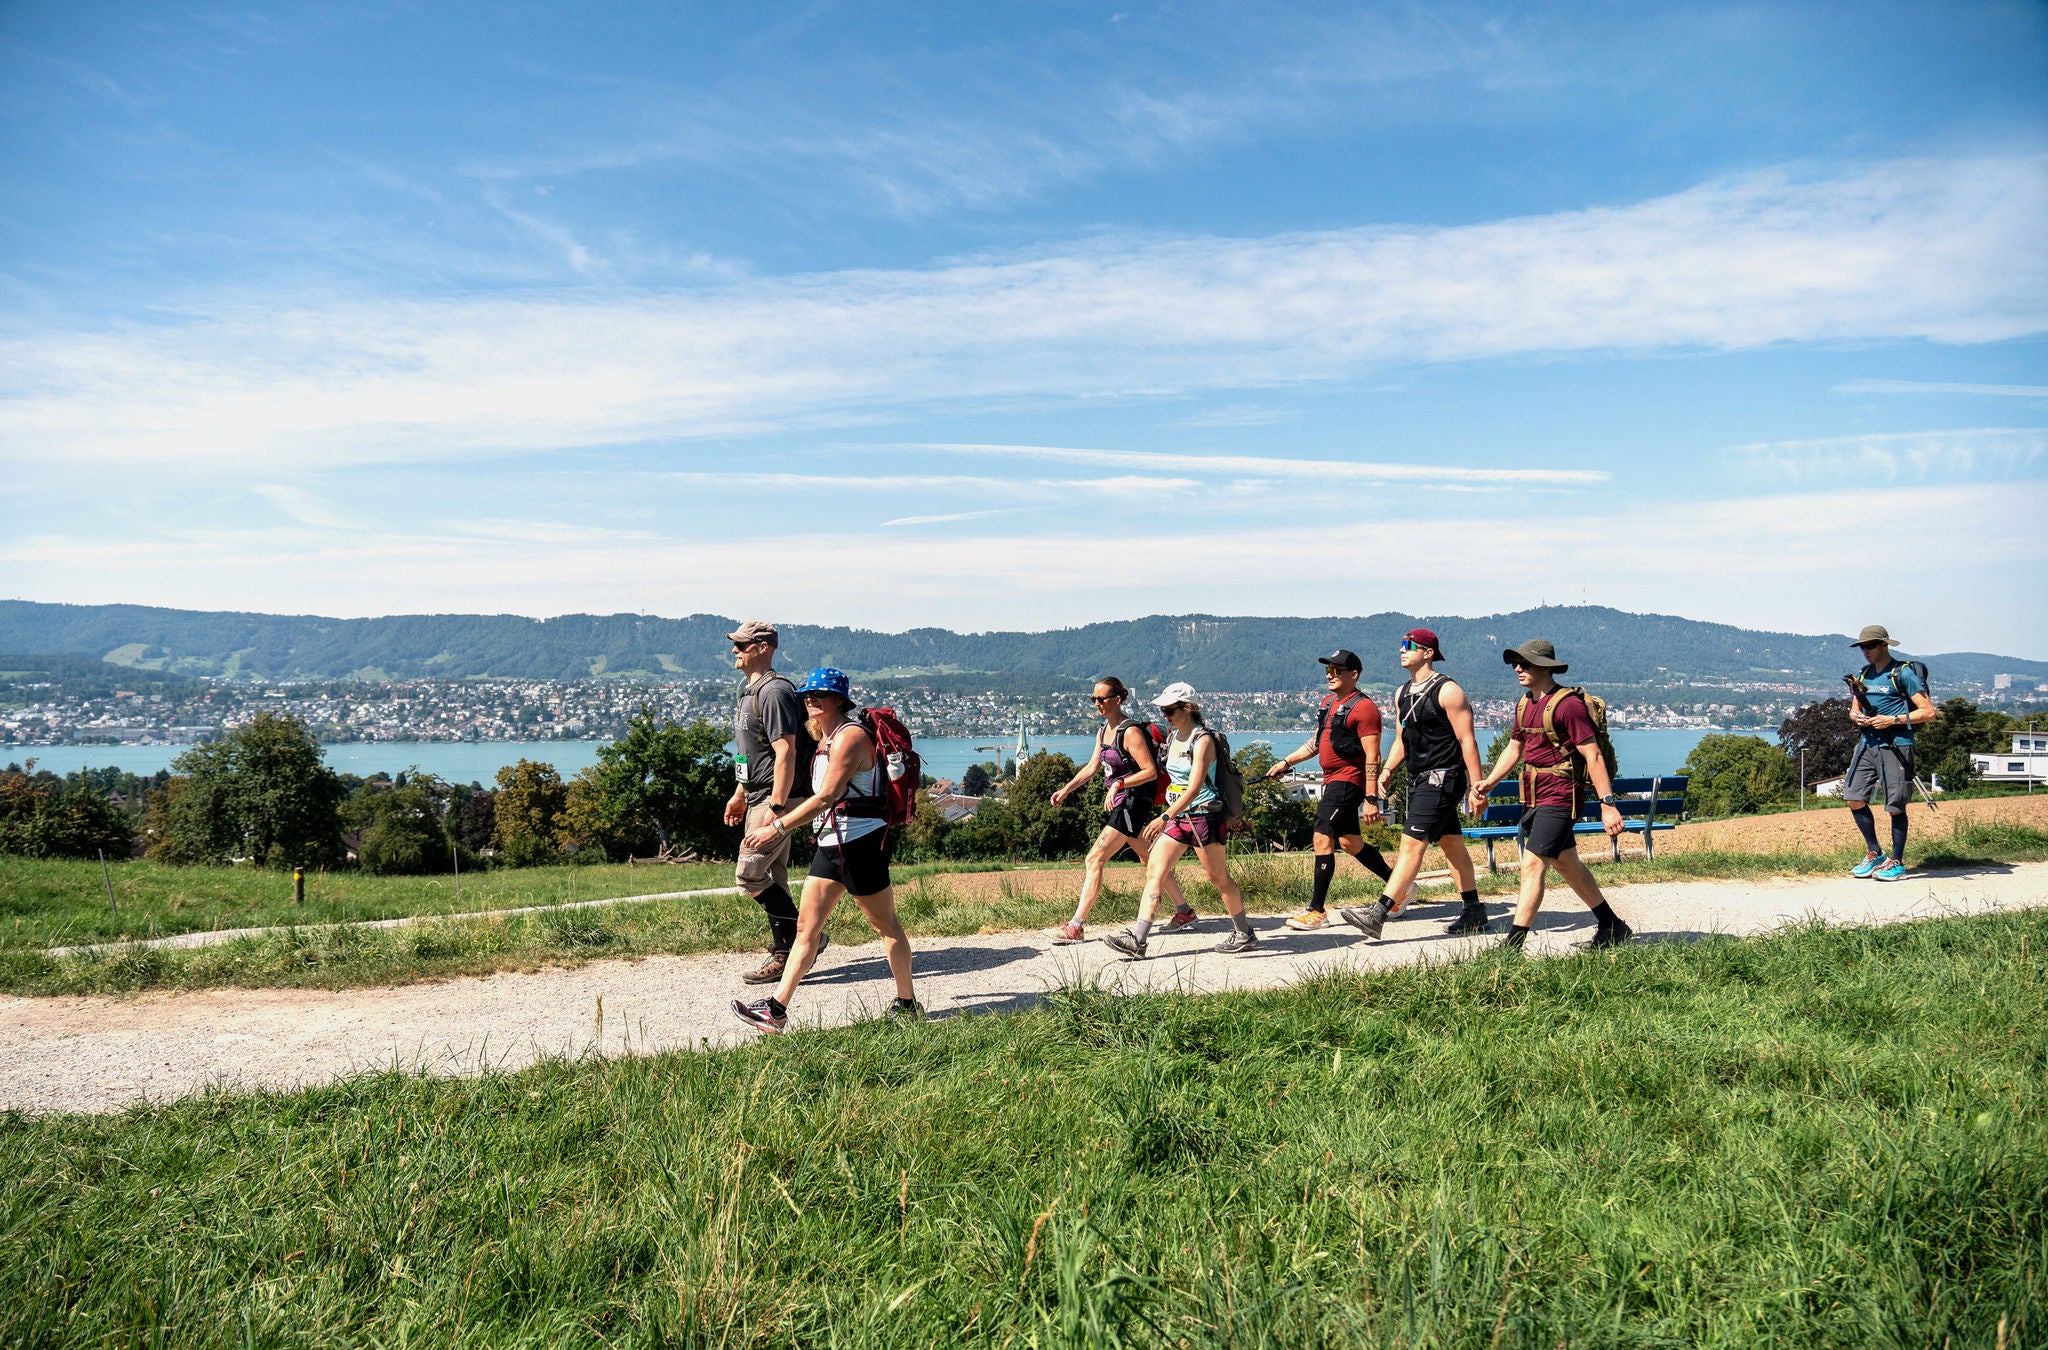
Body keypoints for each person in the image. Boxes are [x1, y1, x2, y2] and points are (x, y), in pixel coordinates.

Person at [732, 668, 920, 1032]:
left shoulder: (851, 737)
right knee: (806, 930)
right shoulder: (824, 738)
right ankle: (776, 1010)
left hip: (861, 845)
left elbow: (827, 797)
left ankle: (907, 1003)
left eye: (819, 694)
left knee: (886, 927)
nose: (810, 699)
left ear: (839, 700)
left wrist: (777, 827)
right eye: (807, 695)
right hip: (832, 846)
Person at [1466, 640, 1632, 950]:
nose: (1518, 668)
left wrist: (1608, 805)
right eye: (1516, 663)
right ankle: (1612, 926)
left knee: (1532, 865)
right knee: (1568, 865)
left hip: (1561, 797)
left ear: (1545, 667)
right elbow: (1515, 747)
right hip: (1534, 797)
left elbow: (1593, 755)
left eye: (1525, 663)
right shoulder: (1525, 703)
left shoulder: (1568, 705)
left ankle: (1512, 946)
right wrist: (1490, 782)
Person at [1337, 629, 1489, 940]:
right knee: (1452, 845)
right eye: (1402, 645)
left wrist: (1477, 788)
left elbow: (1467, 741)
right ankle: (1474, 910)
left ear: (1428, 652)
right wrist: (1387, 770)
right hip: (1419, 779)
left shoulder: (1448, 691)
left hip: (1443, 778)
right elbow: (1401, 739)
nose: (1402, 650)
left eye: (1409, 646)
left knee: (1411, 845)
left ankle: (1378, 913)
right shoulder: (1402, 693)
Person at [1103, 684, 1259, 958]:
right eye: (1163, 710)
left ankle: (1244, 932)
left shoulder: (1203, 740)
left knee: (1218, 878)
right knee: (1155, 872)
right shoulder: (1174, 736)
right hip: (1179, 819)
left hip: (1203, 817)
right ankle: (1138, 941)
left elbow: (1194, 788)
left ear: (1187, 708)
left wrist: (1165, 816)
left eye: (1170, 710)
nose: (1165, 715)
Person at [1044, 677, 1197, 943]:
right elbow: (1092, 767)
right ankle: (1184, 911)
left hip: (1132, 803)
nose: (1097, 703)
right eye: (1093, 699)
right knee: (1150, 858)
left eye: (1101, 699)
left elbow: (1149, 772)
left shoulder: (1130, 732)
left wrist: (1119, 784)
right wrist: (1066, 789)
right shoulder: (1104, 730)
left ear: (1117, 699)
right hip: (1123, 802)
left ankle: (1076, 927)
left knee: (1094, 859)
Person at [1259, 649, 1394, 931]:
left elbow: (1373, 755)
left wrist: (1371, 798)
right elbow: (1316, 743)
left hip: (1348, 781)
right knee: (1350, 843)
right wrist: (1286, 762)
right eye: (1328, 670)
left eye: (1336, 670)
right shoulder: (1329, 703)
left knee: (1322, 836)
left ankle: (1317, 911)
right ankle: (1398, 888)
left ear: (1354, 674)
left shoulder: (1364, 708)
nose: (1329, 676)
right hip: (1332, 779)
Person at [720, 620, 814, 985]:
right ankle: (788, 952)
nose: (735, 650)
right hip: (757, 793)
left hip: (776, 797)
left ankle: (803, 941)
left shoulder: (774, 691)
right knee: (774, 875)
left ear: (763, 648)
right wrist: (740, 793)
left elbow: (785, 750)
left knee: (748, 874)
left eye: (742, 644)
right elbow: (751, 753)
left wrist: (777, 808)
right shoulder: (749, 692)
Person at [1842, 624, 1938, 882]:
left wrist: (1892, 720)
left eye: (1870, 645)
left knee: (1895, 804)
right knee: (1853, 796)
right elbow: (1854, 709)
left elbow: (1928, 712)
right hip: (1867, 743)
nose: (1866, 651)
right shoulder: (1864, 674)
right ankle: (1875, 852)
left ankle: (1897, 861)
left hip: (1896, 744)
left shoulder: (1902, 673)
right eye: (1862, 647)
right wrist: (1857, 717)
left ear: (1885, 645)